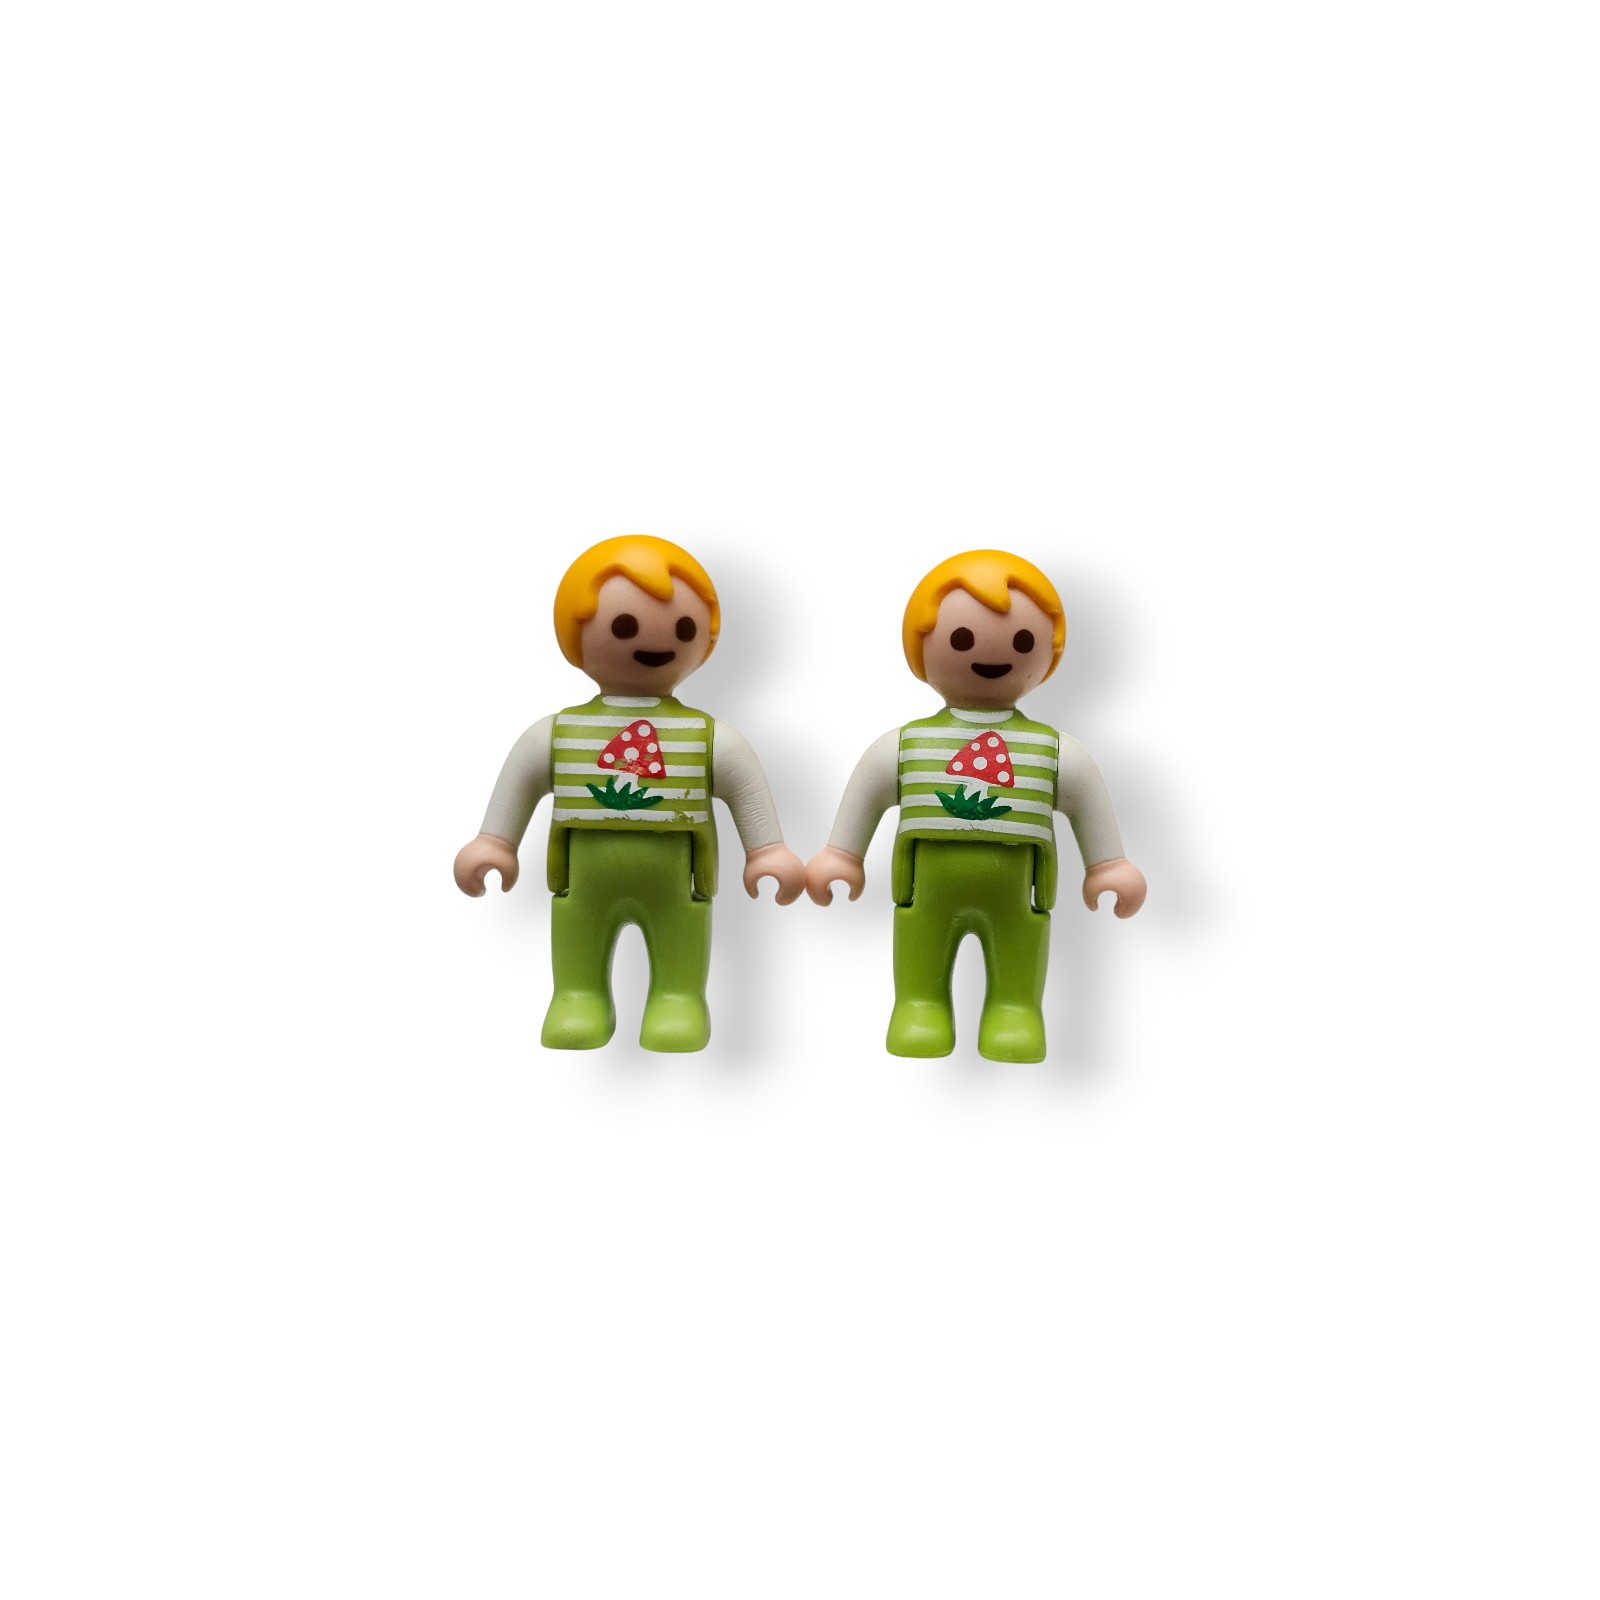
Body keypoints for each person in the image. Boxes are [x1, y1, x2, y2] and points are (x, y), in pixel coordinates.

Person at [455, 536, 806, 1051]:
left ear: (705, 639)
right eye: (622, 626)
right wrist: (494, 842)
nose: (656, 641)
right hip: (581, 878)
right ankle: (578, 997)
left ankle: (678, 1000)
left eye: (683, 627)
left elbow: (743, 786)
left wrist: (767, 850)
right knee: (578, 931)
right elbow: (521, 782)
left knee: (680, 936)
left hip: (679, 879)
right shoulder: (556, 734)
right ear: (572, 635)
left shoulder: (708, 737)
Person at [806, 550, 1146, 1061]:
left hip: (1020, 892)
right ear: (918, 649)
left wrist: (1108, 865)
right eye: (961, 638)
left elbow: (1086, 800)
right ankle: (919, 1007)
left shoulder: (1054, 751)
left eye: (1024, 641)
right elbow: (868, 792)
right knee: (921, 942)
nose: (992, 653)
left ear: (1049, 653)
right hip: (924, 889)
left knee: (1018, 948)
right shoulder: (905, 746)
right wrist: (842, 854)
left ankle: (1016, 1010)